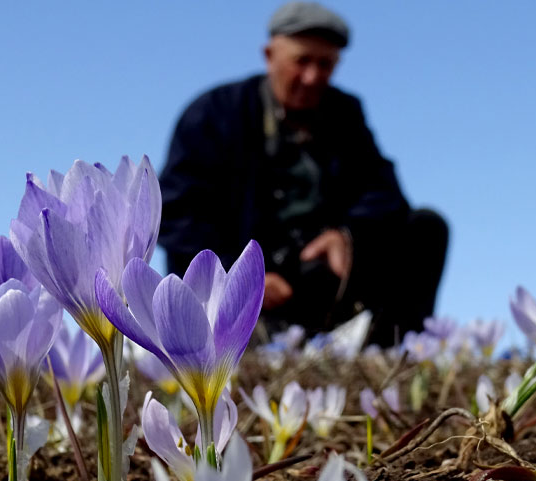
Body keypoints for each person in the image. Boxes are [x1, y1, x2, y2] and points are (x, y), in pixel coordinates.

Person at [157, 2, 448, 346]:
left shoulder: (345, 115)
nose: (312, 77)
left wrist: (347, 235)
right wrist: (240, 275)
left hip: (317, 278)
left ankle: (388, 354)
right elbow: (176, 211)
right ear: (270, 55)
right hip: (234, 284)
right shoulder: (213, 114)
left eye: (325, 65)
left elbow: (385, 193)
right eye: (302, 61)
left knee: (426, 228)